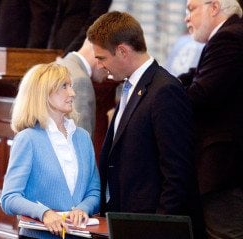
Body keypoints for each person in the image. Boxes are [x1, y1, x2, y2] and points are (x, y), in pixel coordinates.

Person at [87, 11, 205, 238]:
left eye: (102, 58)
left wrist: (157, 228)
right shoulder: (130, 87)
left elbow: (177, 172)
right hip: (126, 222)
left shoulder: (165, 90)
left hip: (150, 227)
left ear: (122, 51)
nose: (100, 65)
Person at [1, 63, 100, 238]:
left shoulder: (83, 137)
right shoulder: (28, 139)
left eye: (71, 86)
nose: (72, 93)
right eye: (64, 86)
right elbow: (9, 198)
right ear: (44, 93)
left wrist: (82, 209)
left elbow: (94, 192)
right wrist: (44, 213)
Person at [178, 0, 243, 237]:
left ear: (214, 7)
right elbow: (194, 78)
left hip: (225, 170)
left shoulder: (229, 38)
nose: (186, 18)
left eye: (191, 9)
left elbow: (201, 93)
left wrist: (163, 97)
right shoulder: (226, 37)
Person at [56, 38, 108, 137]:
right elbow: (80, 141)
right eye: (110, 57)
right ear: (98, 52)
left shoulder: (58, 65)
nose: (110, 70)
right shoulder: (80, 80)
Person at [48, 0, 112, 55]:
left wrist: (69, 54)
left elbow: (95, 22)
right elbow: (58, 16)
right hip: (57, 48)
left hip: (80, 50)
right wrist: (51, 47)